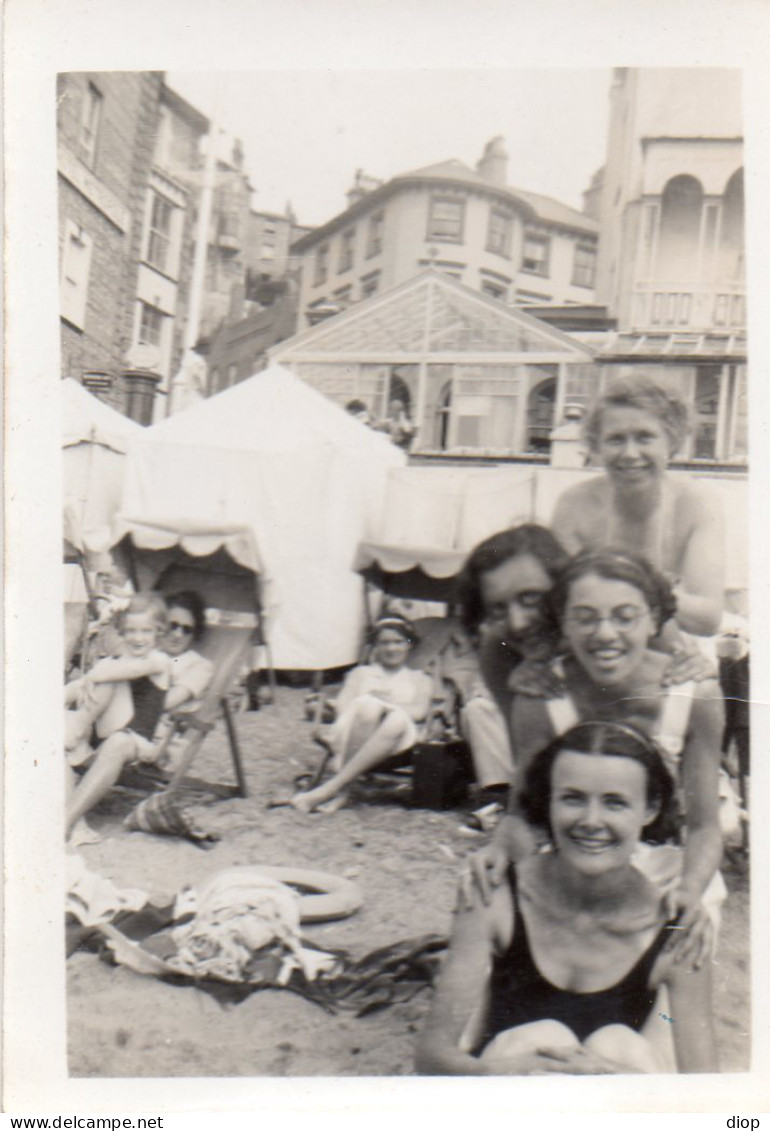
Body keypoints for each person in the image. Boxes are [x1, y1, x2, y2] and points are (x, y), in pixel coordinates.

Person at [416, 721, 717, 1075]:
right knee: (542, 1037)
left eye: (615, 803)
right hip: (516, 1104)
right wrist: (500, 1073)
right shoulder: (495, 895)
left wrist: (625, 1083)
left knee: (620, 1046)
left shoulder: (676, 930)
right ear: (548, 801)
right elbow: (432, 1058)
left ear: (649, 809)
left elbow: (706, 1088)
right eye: (572, 798)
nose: (591, 821)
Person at [471, 549, 724, 962]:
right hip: (574, 859)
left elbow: (703, 826)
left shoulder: (696, 696)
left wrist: (690, 891)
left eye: (625, 617)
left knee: (671, 971)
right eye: (585, 617)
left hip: (668, 865)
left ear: (655, 619)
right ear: (563, 624)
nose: (605, 634)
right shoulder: (541, 697)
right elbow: (522, 815)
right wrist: (500, 852)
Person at [551, 375, 725, 637]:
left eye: (644, 438)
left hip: (671, 642)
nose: (630, 454)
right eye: (616, 439)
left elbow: (708, 619)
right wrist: (658, 591)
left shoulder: (697, 503)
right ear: (597, 445)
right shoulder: (573, 504)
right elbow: (562, 605)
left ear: (672, 440)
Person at [64, 591, 213, 838]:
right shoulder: (136, 652)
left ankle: (65, 823)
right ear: (163, 627)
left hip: (154, 736)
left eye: (186, 629)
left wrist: (117, 673)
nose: (177, 633)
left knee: (116, 737)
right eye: (173, 625)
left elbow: (166, 703)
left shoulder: (196, 665)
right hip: (113, 722)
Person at [291, 614, 433, 813]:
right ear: (375, 646)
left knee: (397, 718)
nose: (391, 649)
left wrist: (387, 703)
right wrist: (374, 703)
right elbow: (344, 707)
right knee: (368, 707)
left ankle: (332, 790)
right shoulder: (360, 674)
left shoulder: (421, 679)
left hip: (398, 741)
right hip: (354, 729)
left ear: (409, 644)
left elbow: (419, 712)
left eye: (398, 642)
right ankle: (340, 790)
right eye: (384, 643)